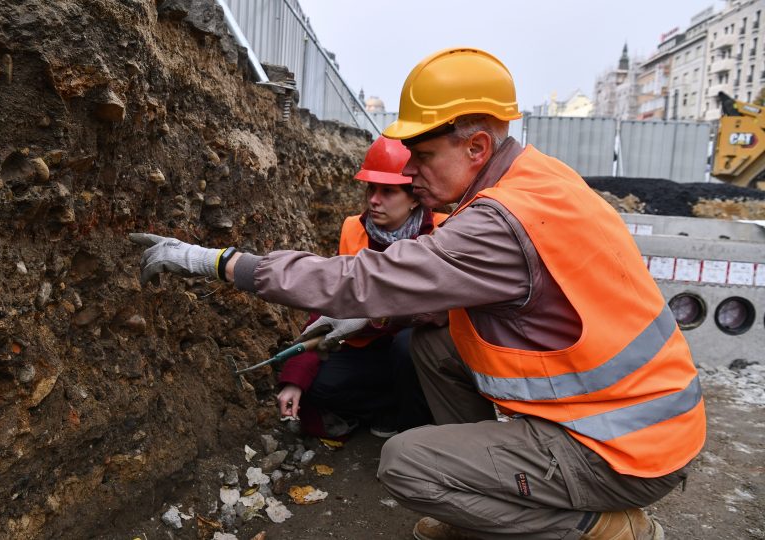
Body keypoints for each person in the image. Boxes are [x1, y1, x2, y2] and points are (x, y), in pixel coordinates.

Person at [131, 47, 704, 540]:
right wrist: (368, 320)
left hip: (624, 449)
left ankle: (602, 529)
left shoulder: (498, 221)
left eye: (423, 158)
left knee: (406, 465)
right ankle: (487, 503)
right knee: (437, 342)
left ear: (477, 146)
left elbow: (361, 279)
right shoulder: (539, 177)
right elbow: (485, 296)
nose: (411, 175)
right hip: (639, 417)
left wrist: (220, 262)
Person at [276, 136, 447, 440]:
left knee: (407, 347)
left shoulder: (444, 233)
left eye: (388, 191)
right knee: (315, 383)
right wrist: (295, 379)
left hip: (417, 352)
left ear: (415, 197)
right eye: (371, 189)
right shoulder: (354, 229)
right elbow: (331, 300)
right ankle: (391, 408)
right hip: (368, 347)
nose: (373, 200)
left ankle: (416, 434)